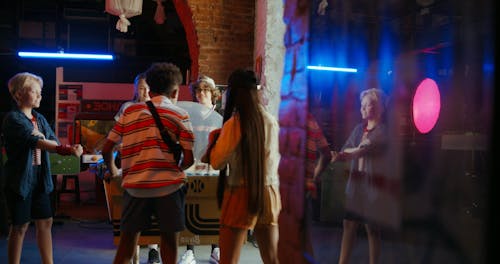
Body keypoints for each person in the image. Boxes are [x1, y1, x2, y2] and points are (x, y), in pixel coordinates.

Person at [102, 62, 195, 264]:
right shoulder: (180, 114)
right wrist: (174, 170)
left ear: (149, 88)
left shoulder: (130, 112)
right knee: (169, 243)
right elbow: (188, 159)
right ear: (176, 90)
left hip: (135, 188)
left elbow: (107, 148)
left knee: (127, 245)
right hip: (169, 188)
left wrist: (116, 171)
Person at [2, 72, 83, 264]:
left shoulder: (39, 118)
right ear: (18, 94)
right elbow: (37, 141)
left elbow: (51, 141)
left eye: (40, 92)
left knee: (46, 221)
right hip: (20, 180)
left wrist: (64, 146)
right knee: (20, 226)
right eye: (35, 91)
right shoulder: (13, 119)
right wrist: (65, 148)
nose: (40, 95)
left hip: (40, 177)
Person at [201, 69, 281, 264]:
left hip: (240, 193)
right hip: (269, 192)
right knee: (272, 258)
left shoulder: (235, 124)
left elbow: (218, 162)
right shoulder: (271, 121)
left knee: (229, 260)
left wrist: (214, 143)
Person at [331, 88, 388, 264]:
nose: (362, 109)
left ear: (379, 107)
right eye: (361, 105)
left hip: (373, 187)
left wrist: (347, 153)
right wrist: (343, 154)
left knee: (372, 229)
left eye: (367, 105)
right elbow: (345, 149)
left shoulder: (382, 131)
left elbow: (358, 151)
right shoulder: (358, 129)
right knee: (348, 224)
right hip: (355, 185)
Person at [113, 73, 160, 264]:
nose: (145, 91)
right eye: (141, 87)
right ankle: (134, 251)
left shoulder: (158, 107)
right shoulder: (127, 107)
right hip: (130, 164)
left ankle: (153, 249)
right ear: (135, 88)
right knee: (133, 209)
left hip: (152, 164)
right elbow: (117, 133)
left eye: (148, 88)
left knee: (153, 208)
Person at [178, 75, 221, 264]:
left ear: (213, 94)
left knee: (213, 208)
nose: (201, 93)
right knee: (191, 208)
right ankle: (190, 251)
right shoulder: (188, 114)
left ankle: (215, 249)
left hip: (214, 169)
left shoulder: (221, 116)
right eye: (198, 90)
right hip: (192, 168)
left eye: (205, 90)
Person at [303, 113, 332, 261]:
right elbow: (327, 154)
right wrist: (313, 177)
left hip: (285, 187)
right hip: (305, 188)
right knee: (304, 239)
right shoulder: (311, 121)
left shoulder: (283, 119)